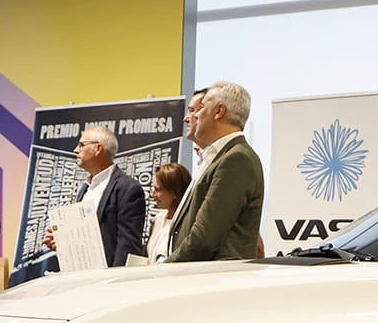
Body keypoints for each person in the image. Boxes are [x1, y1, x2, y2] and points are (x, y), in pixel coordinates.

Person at [166, 80, 264, 262]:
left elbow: (204, 239)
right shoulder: (217, 157)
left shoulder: (237, 159)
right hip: (200, 274)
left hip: (215, 276)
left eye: (202, 107)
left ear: (219, 111)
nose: (195, 115)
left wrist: (164, 269)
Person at [44, 125, 145, 267]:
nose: (75, 150)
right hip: (81, 274)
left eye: (81, 145)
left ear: (97, 148)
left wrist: (114, 279)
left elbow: (128, 246)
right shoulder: (85, 188)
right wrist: (63, 242)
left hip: (109, 278)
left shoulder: (127, 189)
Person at [146, 163, 191, 264]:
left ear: (174, 192)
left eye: (157, 190)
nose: (152, 194)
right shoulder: (158, 219)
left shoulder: (186, 225)